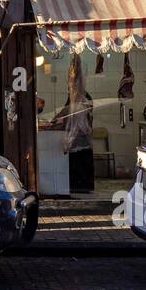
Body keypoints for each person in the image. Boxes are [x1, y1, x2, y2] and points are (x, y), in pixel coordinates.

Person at [54, 55, 94, 193]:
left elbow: (77, 120)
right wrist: (58, 117)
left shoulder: (83, 98)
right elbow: (67, 112)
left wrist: (70, 137)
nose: (69, 83)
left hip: (80, 140)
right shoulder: (74, 98)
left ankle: (81, 187)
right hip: (80, 141)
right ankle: (80, 187)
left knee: (80, 167)